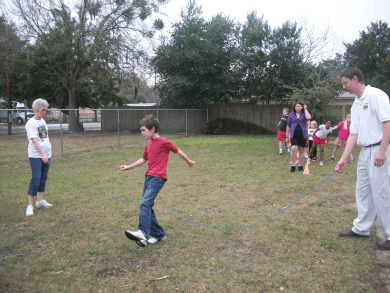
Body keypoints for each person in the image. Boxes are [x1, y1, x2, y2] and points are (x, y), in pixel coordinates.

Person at [335, 67, 390, 251]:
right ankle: (361, 228)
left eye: (345, 83)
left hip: (379, 149)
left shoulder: (376, 95)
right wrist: (343, 159)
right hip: (364, 152)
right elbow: (353, 135)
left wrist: (382, 150)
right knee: (363, 191)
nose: (344, 87)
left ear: (355, 79)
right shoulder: (356, 104)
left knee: (382, 193)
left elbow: (388, 122)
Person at [121, 114, 195, 247]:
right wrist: (128, 167)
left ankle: (142, 232)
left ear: (152, 129)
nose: (142, 133)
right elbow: (143, 159)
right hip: (148, 177)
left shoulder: (164, 142)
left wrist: (188, 161)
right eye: (141, 131)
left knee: (145, 203)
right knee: (147, 205)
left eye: (144, 130)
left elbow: (178, 151)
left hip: (158, 178)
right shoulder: (148, 145)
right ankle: (158, 234)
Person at [25, 98, 53, 216]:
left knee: (43, 177)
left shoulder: (42, 122)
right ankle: (30, 205)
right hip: (36, 156)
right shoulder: (31, 123)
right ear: (36, 110)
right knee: (35, 178)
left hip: (46, 155)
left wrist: (47, 154)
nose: (44, 112)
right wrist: (42, 154)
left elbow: (44, 137)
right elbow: (35, 141)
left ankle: (40, 201)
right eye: (43, 110)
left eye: (45, 110)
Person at [286, 101, 311, 172]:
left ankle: (300, 165)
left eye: (299, 106)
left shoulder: (304, 114)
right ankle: (293, 165)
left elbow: (309, 117)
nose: (297, 108)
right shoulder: (291, 115)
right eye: (296, 106)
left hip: (303, 135)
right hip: (293, 135)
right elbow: (288, 126)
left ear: (302, 107)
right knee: (293, 149)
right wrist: (287, 136)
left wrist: (306, 109)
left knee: (301, 151)